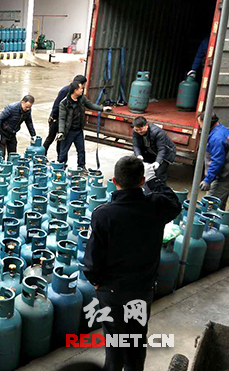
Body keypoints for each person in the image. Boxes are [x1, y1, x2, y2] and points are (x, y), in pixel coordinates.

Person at [83, 156, 181, 371]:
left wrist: (96, 281)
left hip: (113, 293)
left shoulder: (104, 214)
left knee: (115, 346)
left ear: (114, 181)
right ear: (142, 181)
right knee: (136, 342)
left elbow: (93, 259)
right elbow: (174, 202)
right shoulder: (156, 206)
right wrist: (154, 181)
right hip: (142, 289)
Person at [56, 82, 112, 170]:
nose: (82, 90)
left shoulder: (82, 99)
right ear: (75, 90)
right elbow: (62, 119)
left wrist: (102, 109)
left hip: (78, 130)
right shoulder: (64, 103)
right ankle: (60, 168)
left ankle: (81, 167)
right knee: (63, 151)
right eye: (80, 89)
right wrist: (61, 132)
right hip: (68, 131)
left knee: (81, 150)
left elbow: (91, 105)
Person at [43, 75, 87, 157]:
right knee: (50, 138)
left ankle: (60, 159)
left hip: (65, 120)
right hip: (56, 119)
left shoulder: (78, 93)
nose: (84, 87)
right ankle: (42, 155)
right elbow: (56, 105)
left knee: (61, 141)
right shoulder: (65, 91)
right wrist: (54, 117)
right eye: (84, 84)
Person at [198, 112, 229, 209]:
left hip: (222, 177)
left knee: (210, 206)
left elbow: (217, 161)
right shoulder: (221, 129)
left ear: (207, 123)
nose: (200, 127)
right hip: (222, 175)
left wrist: (207, 180)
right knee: (218, 205)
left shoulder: (217, 138)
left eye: (200, 124)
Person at [132, 116, 176, 183]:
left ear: (146, 125)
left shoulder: (157, 132)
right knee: (140, 169)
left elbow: (162, 149)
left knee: (159, 174)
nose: (139, 131)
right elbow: (136, 145)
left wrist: (157, 162)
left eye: (140, 129)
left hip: (165, 153)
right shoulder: (135, 131)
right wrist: (139, 155)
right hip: (149, 151)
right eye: (136, 130)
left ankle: (160, 187)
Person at [0, 94, 36, 159]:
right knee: (1, 155)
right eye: (26, 107)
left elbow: (29, 122)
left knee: (13, 155)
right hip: (3, 133)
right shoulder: (11, 108)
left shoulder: (27, 111)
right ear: (22, 102)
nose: (28, 109)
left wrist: (33, 135)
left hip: (12, 133)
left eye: (29, 107)